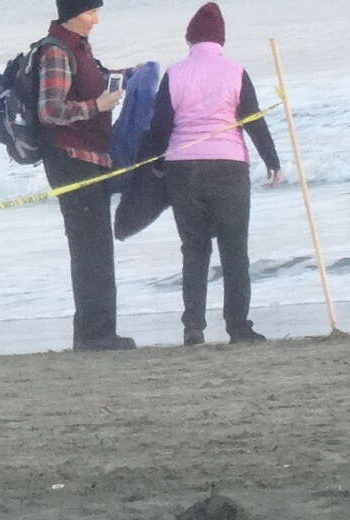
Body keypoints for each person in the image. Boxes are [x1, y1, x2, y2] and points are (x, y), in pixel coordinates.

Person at [139, 3, 284, 345]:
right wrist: (272, 159)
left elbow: (160, 126)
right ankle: (238, 326)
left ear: (190, 39)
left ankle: (193, 327)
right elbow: (252, 119)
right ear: (221, 39)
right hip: (229, 167)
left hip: (183, 168)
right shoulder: (236, 71)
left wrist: (157, 163)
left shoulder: (175, 73)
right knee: (235, 248)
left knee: (194, 248)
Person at [35, 2, 135, 351]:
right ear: (73, 13)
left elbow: (90, 83)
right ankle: (95, 335)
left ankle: (98, 331)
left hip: (91, 158)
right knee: (90, 248)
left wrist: (128, 74)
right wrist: (98, 107)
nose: (97, 19)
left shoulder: (79, 47)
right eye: (91, 12)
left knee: (97, 247)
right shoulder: (56, 51)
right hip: (71, 161)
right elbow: (50, 110)